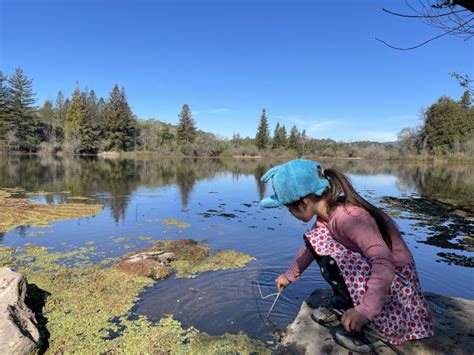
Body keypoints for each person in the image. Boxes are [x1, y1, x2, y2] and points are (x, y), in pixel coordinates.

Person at [259, 159, 434, 351]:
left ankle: (375, 324)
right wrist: (288, 276)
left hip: (396, 281)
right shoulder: (326, 218)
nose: (290, 213)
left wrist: (365, 311)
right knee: (318, 242)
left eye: (289, 208)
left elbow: (384, 261)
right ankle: (348, 299)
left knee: (333, 254)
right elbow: (309, 249)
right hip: (382, 275)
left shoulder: (350, 219)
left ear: (304, 202)